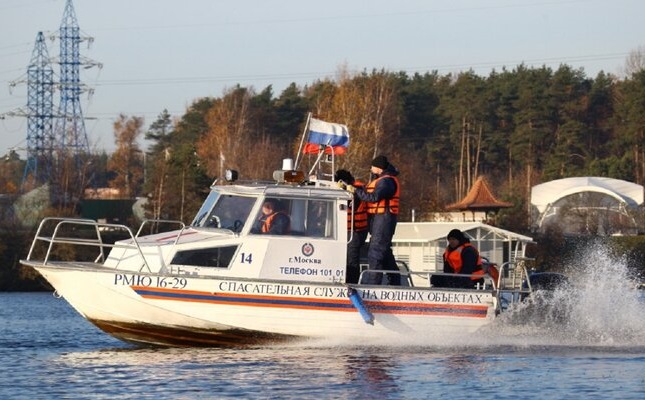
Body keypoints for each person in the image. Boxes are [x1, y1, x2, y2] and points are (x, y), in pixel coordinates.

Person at [343, 155, 401, 285]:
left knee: (375, 253)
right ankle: (395, 280)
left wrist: (356, 191)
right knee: (383, 251)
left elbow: (374, 197)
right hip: (378, 219)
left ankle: (374, 286)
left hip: (384, 218)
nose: (371, 168)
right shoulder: (381, 180)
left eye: (373, 166)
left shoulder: (386, 181)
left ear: (379, 168)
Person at [334, 169, 368, 284]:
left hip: (356, 230)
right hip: (346, 230)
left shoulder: (357, 190)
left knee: (352, 258)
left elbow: (354, 205)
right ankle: (345, 280)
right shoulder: (347, 190)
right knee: (344, 257)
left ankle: (352, 283)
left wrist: (346, 190)